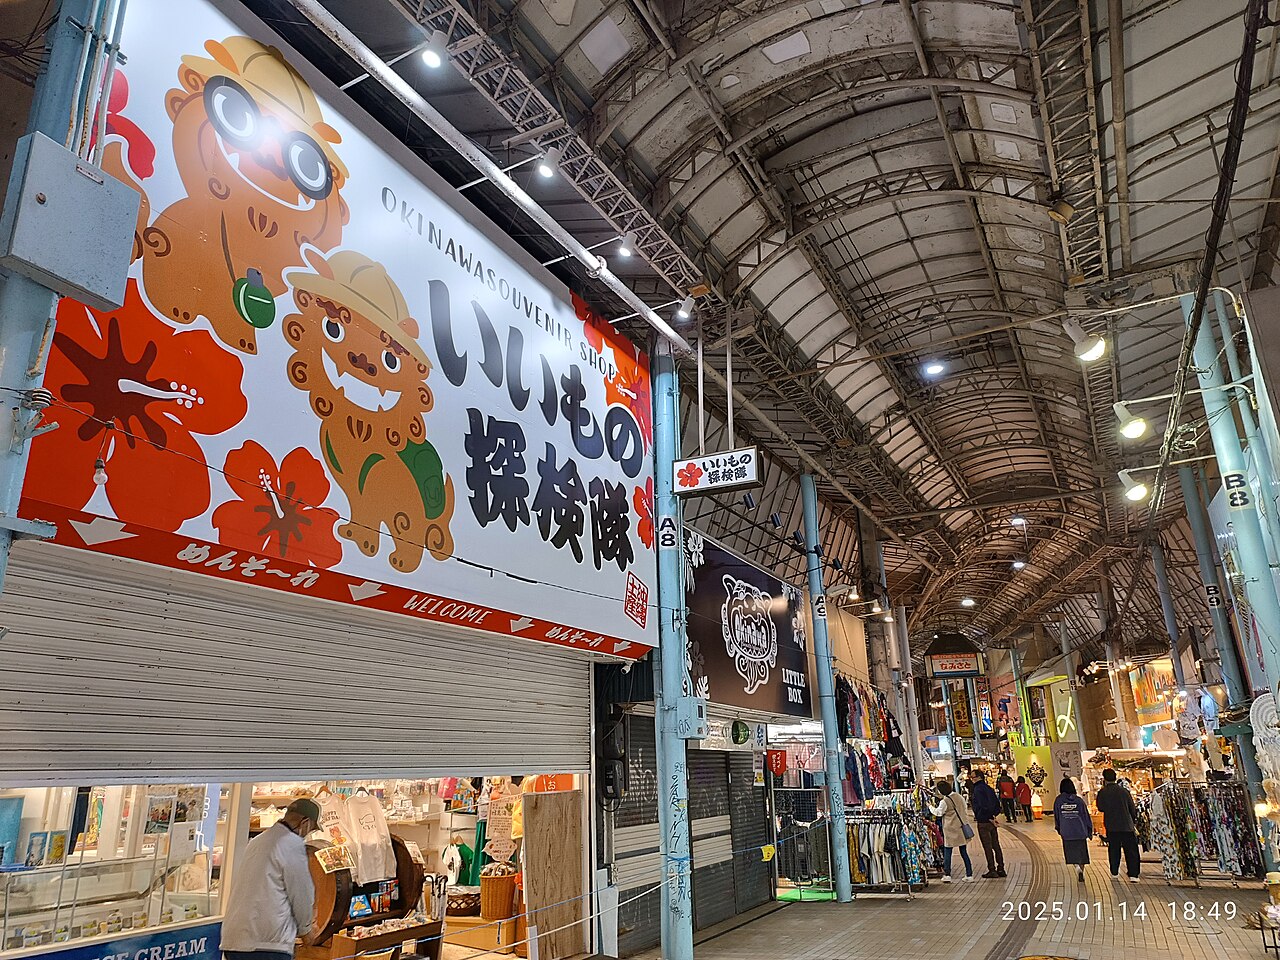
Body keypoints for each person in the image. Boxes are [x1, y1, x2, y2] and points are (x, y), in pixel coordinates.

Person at [221, 797, 318, 960]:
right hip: (268, 942)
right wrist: (306, 930)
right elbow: (302, 893)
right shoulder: (292, 844)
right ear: (305, 822)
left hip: (233, 939)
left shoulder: (257, 841)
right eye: (312, 829)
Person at [1094, 768, 1140, 882]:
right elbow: (1132, 808)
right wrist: (1132, 820)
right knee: (1131, 850)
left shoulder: (1103, 792)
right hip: (1127, 825)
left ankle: (1114, 872)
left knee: (1114, 849)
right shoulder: (1124, 791)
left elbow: (1100, 807)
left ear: (1104, 779)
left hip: (1112, 825)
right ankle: (1133, 874)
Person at [928, 781, 975, 882]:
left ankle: (947, 874)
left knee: (948, 851)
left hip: (950, 829)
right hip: (961, 827)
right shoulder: (959, 796)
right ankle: (969, 874)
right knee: (964, 852)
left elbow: (939, 812)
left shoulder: (945, 801)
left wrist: (930, 807)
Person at [1053, 777, 1093, 883]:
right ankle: (1081, 870)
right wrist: (1089, 831)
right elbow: (1086, 816)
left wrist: (1059, 828)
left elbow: (1057, 816)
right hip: (1080, 830)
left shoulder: (1058, 800)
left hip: (1067, 831)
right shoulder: (1079, 801)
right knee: (1082, 854)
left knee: (1072, 853)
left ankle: (1077, 868)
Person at [969, 770, 1006, 878]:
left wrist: (987, 816)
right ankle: (1001, 868)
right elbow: (997, 805)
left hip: (984, 821)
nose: (972, 779)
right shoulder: (989, 788)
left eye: (973, 777)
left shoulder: (978, 789)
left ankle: (992, 869)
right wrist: (993, 816)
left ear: (979, 777)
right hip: (991, 821)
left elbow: (982, 805)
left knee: (988, 846)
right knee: (996, 845)